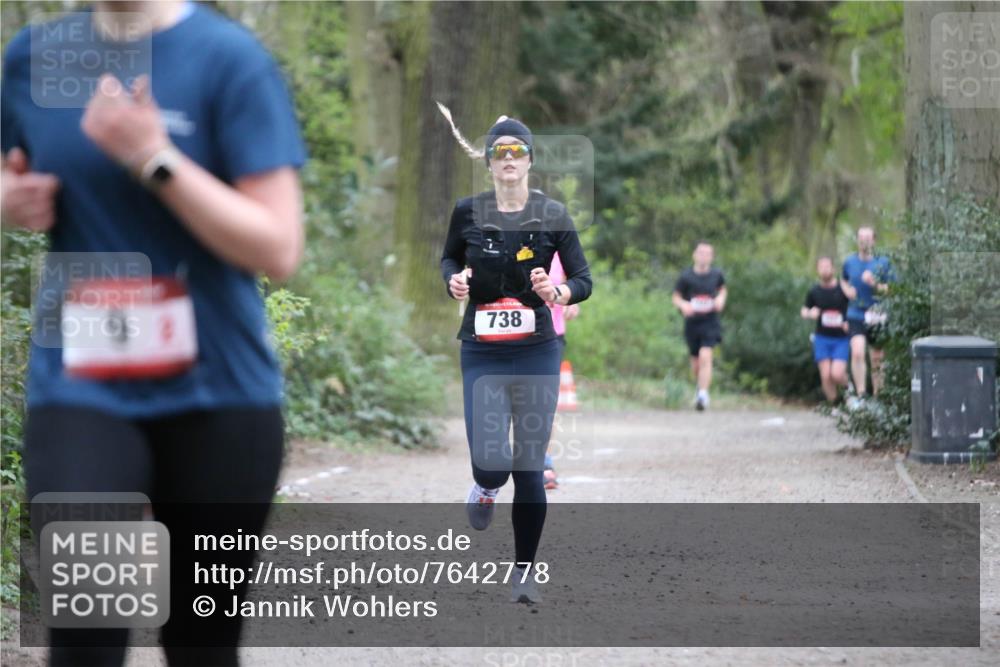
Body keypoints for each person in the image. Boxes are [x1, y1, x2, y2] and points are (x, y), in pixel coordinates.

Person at [1, 2, 305, 664]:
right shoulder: (34, 55)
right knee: (84, 635)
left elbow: (279, 245)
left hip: (220, 391)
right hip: (81, 391)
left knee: (201, 642)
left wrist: (152, 157)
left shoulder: (229, 60)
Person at [438, 106, 592, 604]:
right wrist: (454, 281)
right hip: (482, 351)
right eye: (500, 151)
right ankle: (484, 487)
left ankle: (524, 573)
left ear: (529, 160)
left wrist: (558, 293)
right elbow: (448, 257)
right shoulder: (467, 211)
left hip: (537, 350)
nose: (508, 157)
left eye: (517, 150)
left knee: (528, 469)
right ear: (488, 162)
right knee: (491, 464)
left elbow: (583, 279)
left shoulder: (553, 214)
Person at [841, 227, 893, 403]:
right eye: (861, 237)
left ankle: (879, 397)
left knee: (877, 357)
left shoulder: (883, 262)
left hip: (877, 314)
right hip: (855, 313)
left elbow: (892, 289)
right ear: (857, 240)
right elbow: (843, 280)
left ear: (874, 241)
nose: (864, 241)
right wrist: (847, 290)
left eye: (868, 238)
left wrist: (875, 284)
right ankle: (861, 395)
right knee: (857, 352)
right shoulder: (849, 262)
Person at [672, 242, 727, 411]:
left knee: (706, 355)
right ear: (694, 255)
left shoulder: (717, 275)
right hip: (692, 323)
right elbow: (676, 296)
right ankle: (700, 386)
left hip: (710, 322)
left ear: (712, 257)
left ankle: (703, 395)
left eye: (707, 253)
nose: (704, 256)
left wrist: (720, 299)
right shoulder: (686, 276)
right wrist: (683, 305)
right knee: (696, 363)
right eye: (701, 253)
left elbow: (723, 290)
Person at [542, 251, 580, 490]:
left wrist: (573, 301)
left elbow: (575, 282)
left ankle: (543, 461)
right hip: (515, 335)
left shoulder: (558, 248)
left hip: (552, 335)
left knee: (546, 400)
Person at [801, 257, 851, 404]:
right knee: (825, 375)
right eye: (821, 267)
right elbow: (804, 310)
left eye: (827, 266)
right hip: (822, 338)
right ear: (817, 270)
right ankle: (834, 406)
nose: (824, 270)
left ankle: (851, 393)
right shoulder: (814, 291)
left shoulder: (842, 289)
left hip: (841, 338)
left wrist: (849, 322)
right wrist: (810, 313)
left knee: (837, 373)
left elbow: (853, 307)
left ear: (833, 269)